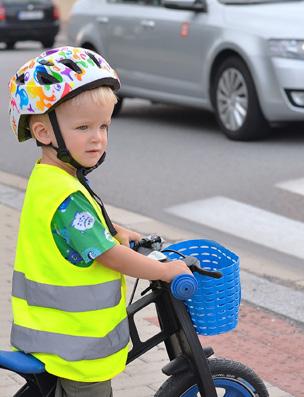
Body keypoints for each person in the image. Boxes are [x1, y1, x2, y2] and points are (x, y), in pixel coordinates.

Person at [8, 46, 191, 397]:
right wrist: (164, 271)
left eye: (104, 125)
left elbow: (84, 229)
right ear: (45, 133)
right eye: (83, 127)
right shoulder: (64, 194)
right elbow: (107, 254)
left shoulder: (55, 178)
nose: (98, 137)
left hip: (56, 331)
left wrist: (121, 232)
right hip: (74, 345)